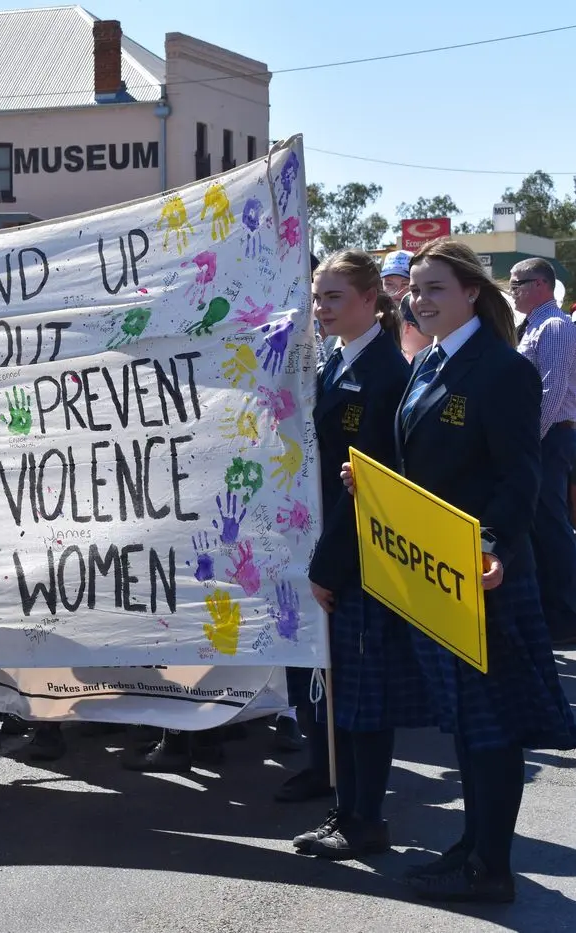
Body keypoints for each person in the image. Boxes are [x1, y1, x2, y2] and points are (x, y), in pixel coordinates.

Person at [343, 239, 576, 902]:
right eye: (414, 289)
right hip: (433, 568)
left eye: (434, 288)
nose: (418, 301)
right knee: (466, 724)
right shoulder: (429, 364)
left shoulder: (501, 369)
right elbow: (421, 465)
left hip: (482, 572)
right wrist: (370, 481)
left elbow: (519, 476)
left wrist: (493, 545)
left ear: (472, 291)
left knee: (490, 723)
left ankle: (490, 867)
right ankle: (473, 846)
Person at [290, 250, 430, 860]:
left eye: (333, 298)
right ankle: (347, 808)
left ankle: (364, 817)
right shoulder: (333, 362)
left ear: (371, 299)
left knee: (363, 698)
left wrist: (330, 568)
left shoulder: (383, 374)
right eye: (317, 298)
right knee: (341, 695)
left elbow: (368, 490)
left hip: (359, 562)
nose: (320, 309)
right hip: (333, 552)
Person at [511, 258, 576, 648]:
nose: (514, 289)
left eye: (518, 283)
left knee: (551, 526)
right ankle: (556, 611)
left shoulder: (552, 326)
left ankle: (567, 614)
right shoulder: (537, 326)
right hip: (544, 438)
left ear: (541, 285)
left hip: (548, 438)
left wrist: (527, 443)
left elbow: (549, 394)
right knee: (542, 523)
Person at [381, 249, 428, 361]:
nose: (397, 293)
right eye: (389, 284)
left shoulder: (427, 321)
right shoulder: (373, 323)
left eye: (405, 284)